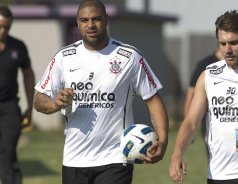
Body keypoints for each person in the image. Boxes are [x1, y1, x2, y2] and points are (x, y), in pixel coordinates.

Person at [33, 1, 169, 184]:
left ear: (106, 20)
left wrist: (163, 140)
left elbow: (153, 100)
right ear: (78, 22)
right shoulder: (63, 58)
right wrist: (54, 104)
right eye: (84, 20)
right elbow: (39, 100)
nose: (90, 25)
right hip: (74, 159)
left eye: (96, 19)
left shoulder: (129, 57)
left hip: (115, 158)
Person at [170, 9, 238, 184]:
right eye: (222, 43)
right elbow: (191, 122)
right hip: (218, 175)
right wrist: (177, 154)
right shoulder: (208, 76)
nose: (227, 50)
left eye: (234, 43)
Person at [0, 5, 35, 184]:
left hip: (9, 108)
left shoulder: (18, 47)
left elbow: (28, 75)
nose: (2, 30)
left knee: (7, 152)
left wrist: (30, 107)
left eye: (6, 26)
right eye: (0, 26)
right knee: (6, 155)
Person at [184, 47, 223, 147]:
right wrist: (187, 127)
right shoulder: (205, 65)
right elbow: (191, 93)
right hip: (210, 123)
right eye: (224, 43)